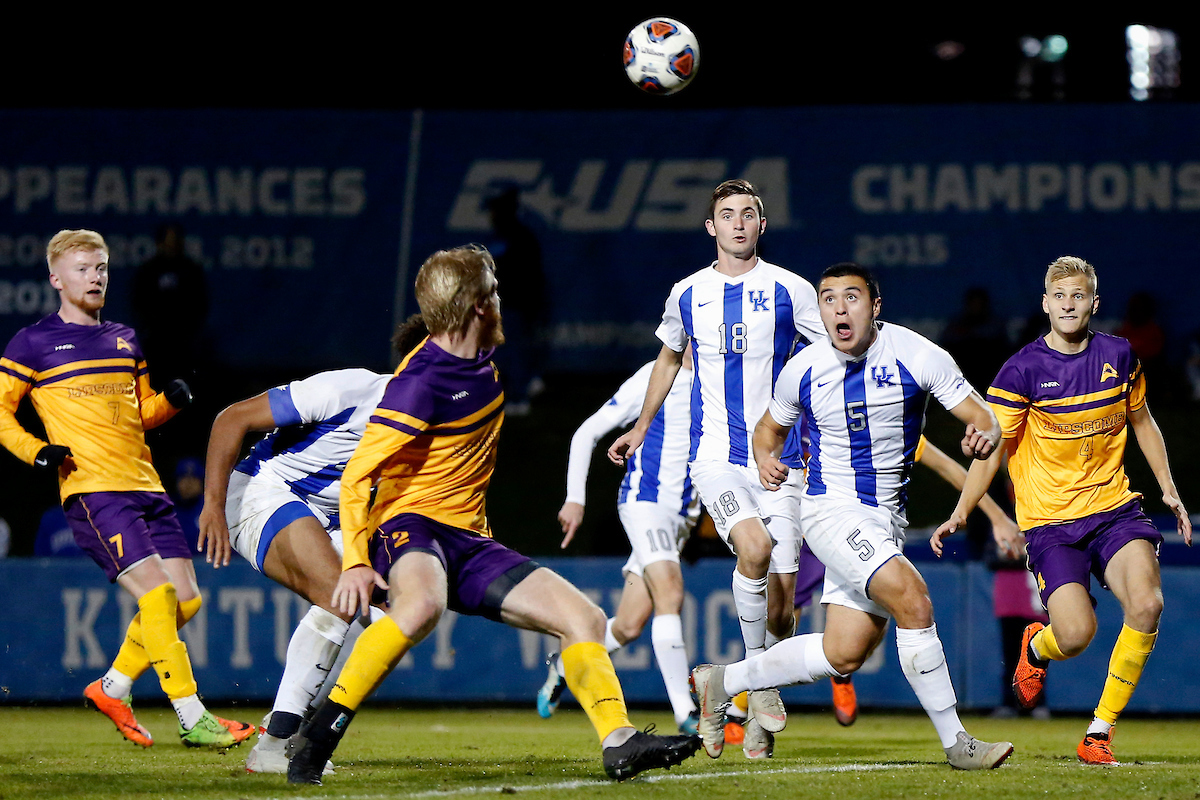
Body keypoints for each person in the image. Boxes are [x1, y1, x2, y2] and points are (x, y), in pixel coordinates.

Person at [286, 245, 699, 785]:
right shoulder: (421, 383)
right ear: (479, 307)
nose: (502, 301)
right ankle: (316, 740)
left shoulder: (478, 361)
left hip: (467, 539)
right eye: (495, 292)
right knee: (421, 606)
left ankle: (619, 742)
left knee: (587, 620)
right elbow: (357, 475)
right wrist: (357, 562)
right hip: (410, 526)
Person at [691, 262, 1015, 769]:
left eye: (851, 297)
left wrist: (985, 433)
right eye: (828, 299)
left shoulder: (916, 353)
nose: (839, 308)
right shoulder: (803, 368)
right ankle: (958, 744)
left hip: (884, 519)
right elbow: (768, 430)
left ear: (875, 307)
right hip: (829, 511)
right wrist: (765, 458)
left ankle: (722, 681)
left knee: (845, 652)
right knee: (914, 600)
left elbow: (981, 415)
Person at [933, 255, 1192, 765]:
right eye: (1060, 296)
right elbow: (993, 447)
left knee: (1147, 604)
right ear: (1046, 304)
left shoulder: (1120, 355)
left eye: (1079, 295)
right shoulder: (1021, 370)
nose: (1069, 304)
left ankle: (1099, 732)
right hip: (1051, 524)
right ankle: (1037, 647)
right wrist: (963, 510)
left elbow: (1142, 420)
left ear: (1094, 303)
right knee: (1074, 636)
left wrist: (1169, 488)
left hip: (1115, 510)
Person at [0, 229, 251, 749]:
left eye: (101, 268)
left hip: (146, 485)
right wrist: (35, 450)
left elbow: (140, 414)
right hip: (94, 490)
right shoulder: (32, 343)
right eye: (82, 269)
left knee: (187, 599)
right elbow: (1, 412)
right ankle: (192, 715)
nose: (95, 277)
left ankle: (111, 687)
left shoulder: (124, 338)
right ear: (55, 279)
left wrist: (171, 402)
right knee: (158, 595)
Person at [608, 179, 826, 757]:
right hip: (718, 461)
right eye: (726, 215)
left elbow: (829, 357)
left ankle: (736, 692)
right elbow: (669, 356)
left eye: (747, 214)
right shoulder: (687, 293)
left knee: (782, 604)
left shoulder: (791, 290)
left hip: (783, 458)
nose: (736, 223)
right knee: (752, 550)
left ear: (761, 225)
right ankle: (757, 681)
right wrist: (640, 426)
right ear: (711, 227)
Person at [720, 435, 1023, 735]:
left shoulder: (881, 412)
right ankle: (743, 700)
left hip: (859, 523)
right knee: (781, 616)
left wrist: (996, 517)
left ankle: (747, 703)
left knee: (878, 611)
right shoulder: (802, 408)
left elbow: (949, 468)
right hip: (807, 525)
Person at [197, 357, 393, 773]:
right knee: (339, 594)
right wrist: (212, 504)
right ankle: (274, 744)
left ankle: (297, 723)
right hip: (263, 491)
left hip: (335, 522)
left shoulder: (439, 428)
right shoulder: (352, 389)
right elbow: (232, 419)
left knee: (393, 620)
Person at [540, 343, 700, 734]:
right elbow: (587, 432)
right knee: (671, 593)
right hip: (646, 504)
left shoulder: (726, 382)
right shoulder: (655, 375)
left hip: (681, 518)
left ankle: (564, 665)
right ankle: (687, 713)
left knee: (629, 625)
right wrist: (575, 499)